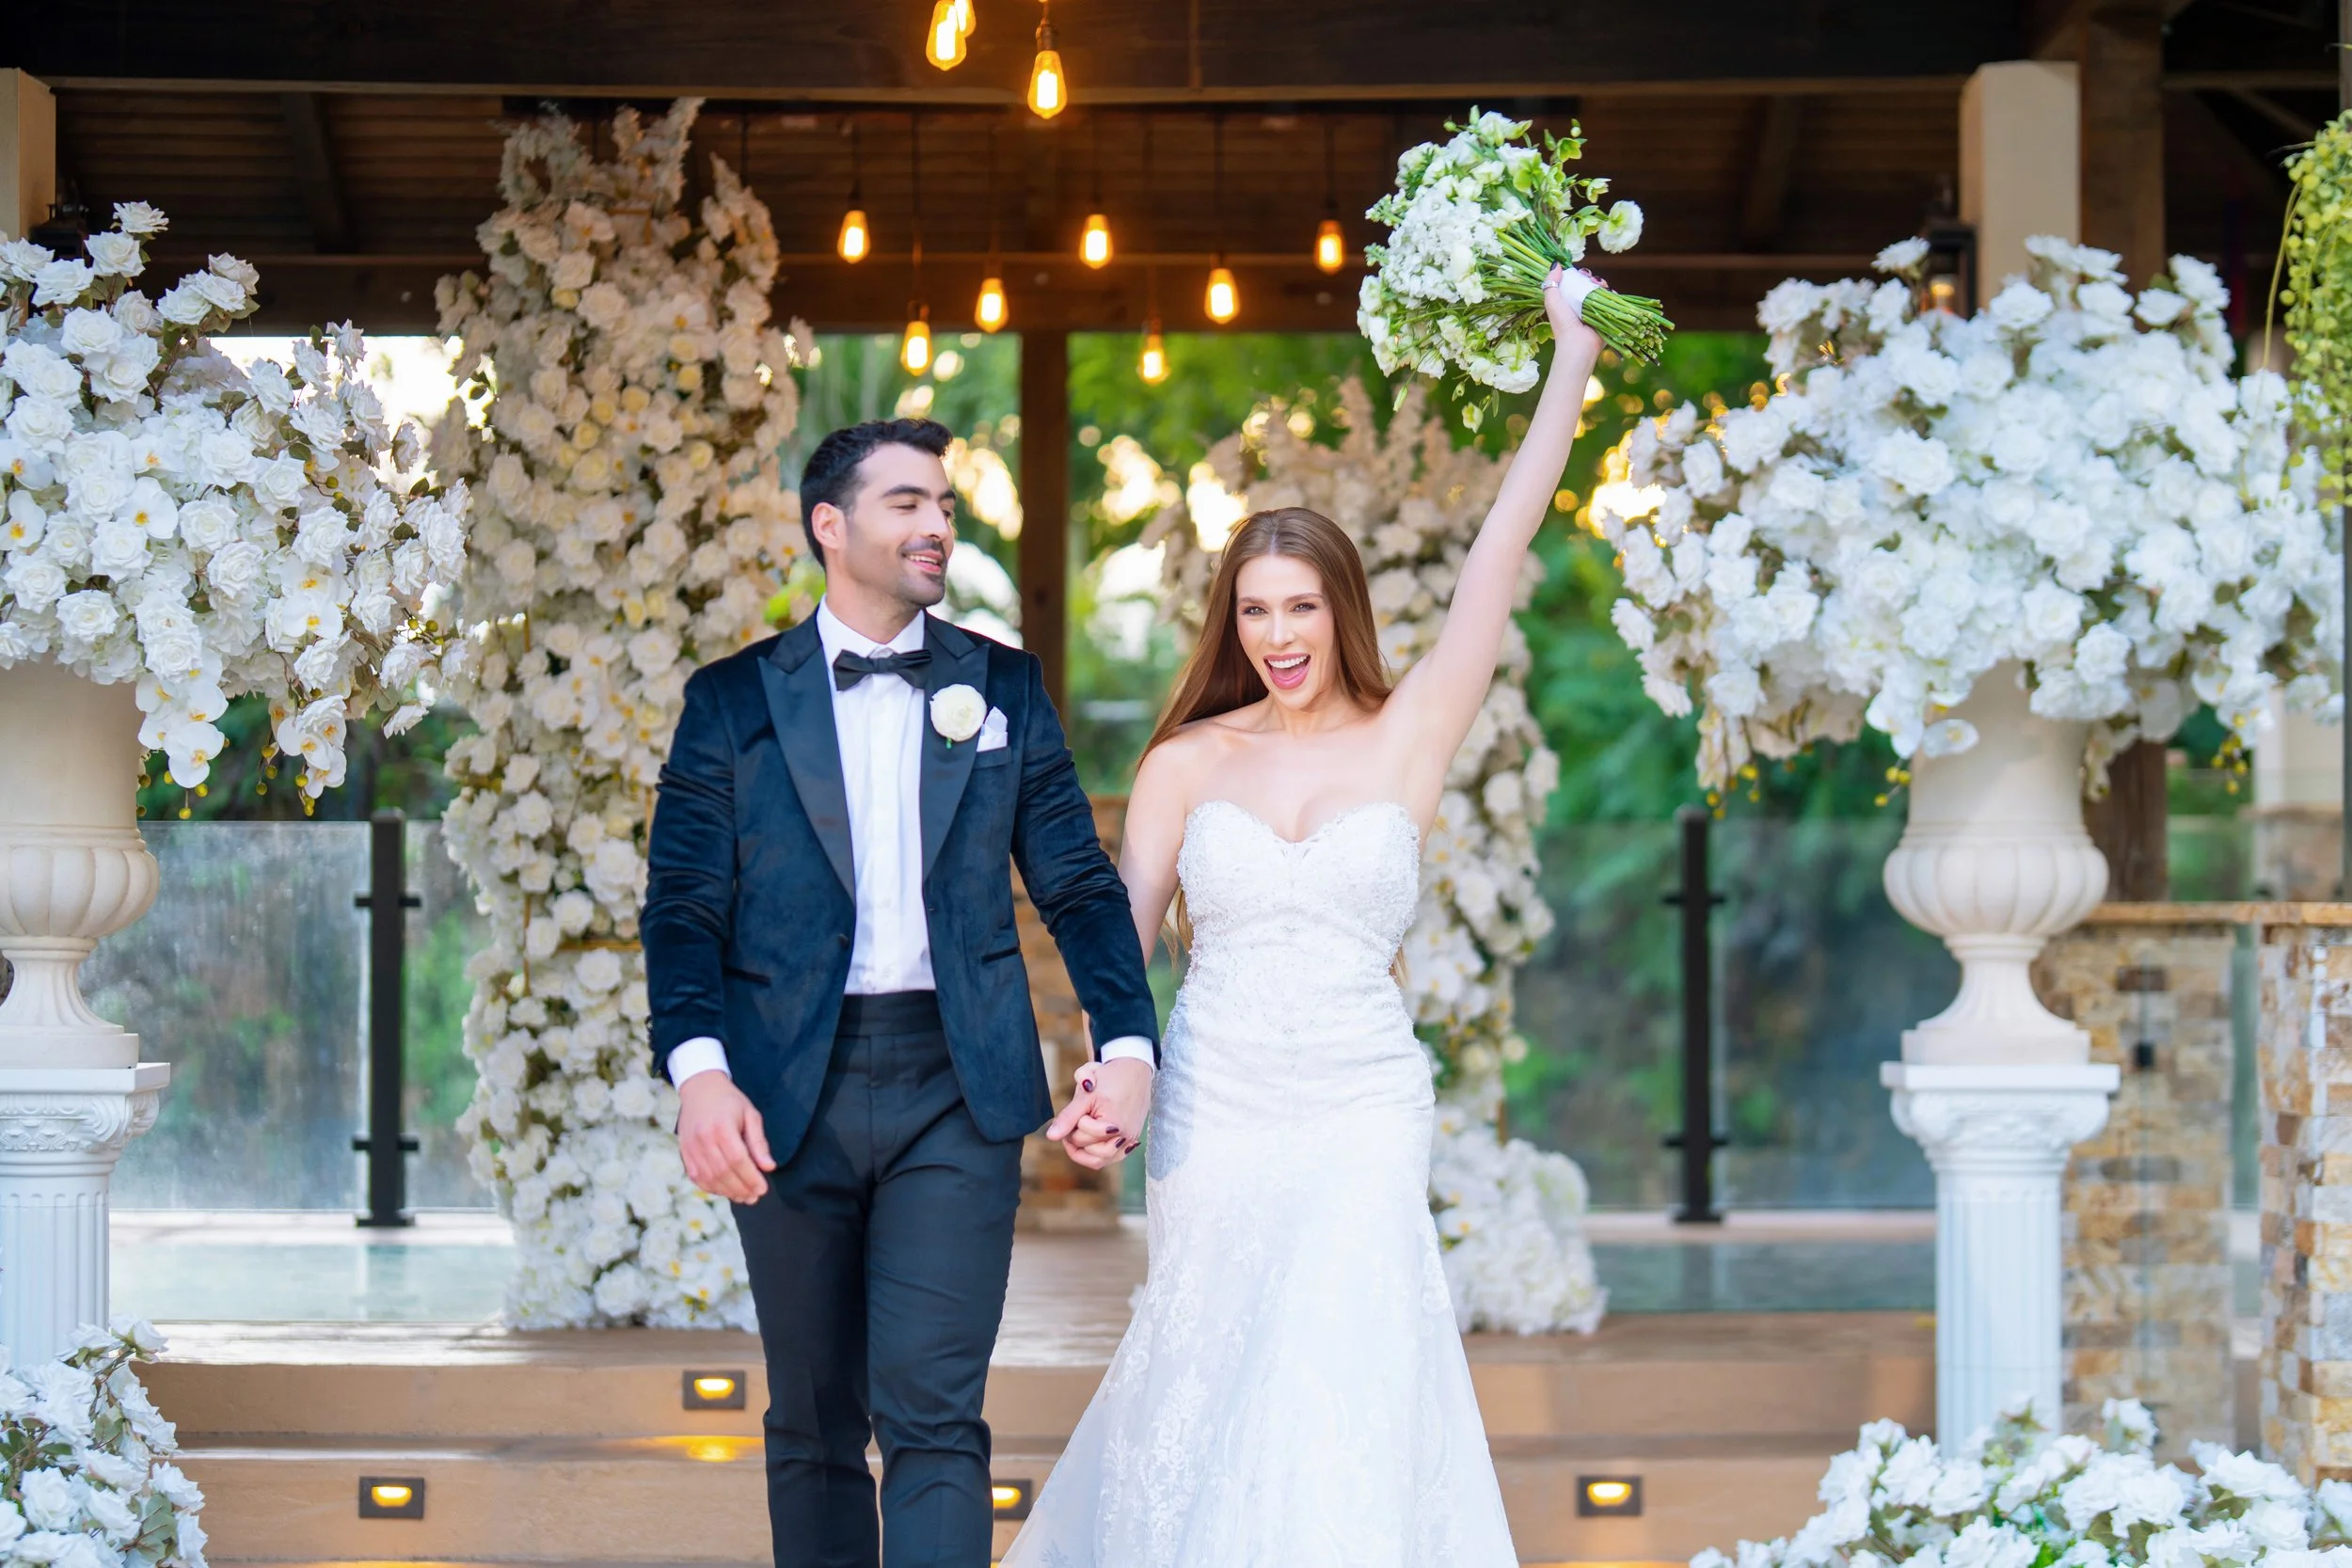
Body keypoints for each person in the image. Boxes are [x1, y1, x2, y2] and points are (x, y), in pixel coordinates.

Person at [1008, 267, 1606, 1567]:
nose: (1278, 633)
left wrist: (1571, 350)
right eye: (1255, 609)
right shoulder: (1186, 761)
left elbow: (1501, 547)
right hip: (1219, 1100)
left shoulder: (1410, 735)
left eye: (1302, 606)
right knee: (1214, 1368)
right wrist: (1112, 1073)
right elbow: (1119, 941)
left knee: (1344, 1373)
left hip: (1360, 1102)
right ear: (1231, 618)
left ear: (1342, 609)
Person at [641, 416, 1160, 1568]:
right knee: (814, 1419)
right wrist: (701, 1071)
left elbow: (1075, 882)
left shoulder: (1002, 686)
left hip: (954, 1086)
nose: (937, 525)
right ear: (831, 526)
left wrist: (1127, 1039)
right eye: (908, 503)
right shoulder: (729, 702)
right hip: (782, 1089)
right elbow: (682, 907)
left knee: (934, 1413)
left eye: (944, 506)